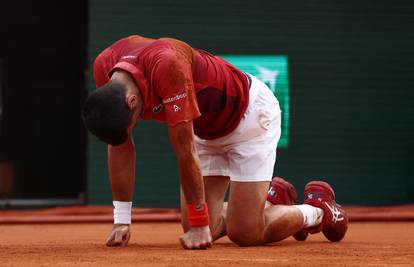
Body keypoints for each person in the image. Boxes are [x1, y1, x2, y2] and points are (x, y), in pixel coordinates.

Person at [82, 35, 348, 249]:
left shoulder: (168, 66)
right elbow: (120, 146)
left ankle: (318, 211)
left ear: (130, 101)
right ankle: (270, 202)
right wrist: (121, 221)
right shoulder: (105, 67)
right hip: (205, 130)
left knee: (245, 233)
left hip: (250, 119)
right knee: (199, 224)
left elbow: (185, 152)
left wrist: (199, 223)